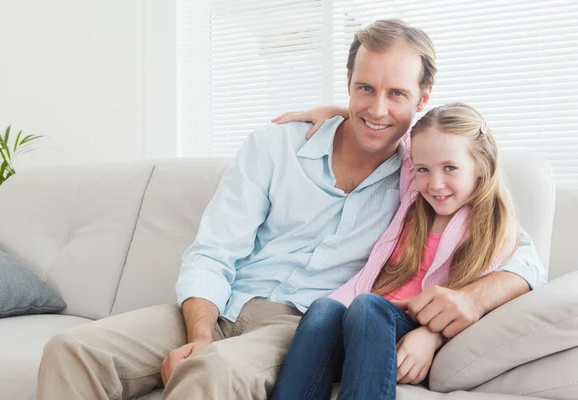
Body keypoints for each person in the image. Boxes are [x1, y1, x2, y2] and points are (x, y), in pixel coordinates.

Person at [36, 20, 546, 400]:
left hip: (302, 324)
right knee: (71, 351)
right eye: (364, 88)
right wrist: (200, 334)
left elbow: (520, 256)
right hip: (220, 306)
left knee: (210, 375)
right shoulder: (273, 146)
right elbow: (213, 252)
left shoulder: (425, 173)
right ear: (347, 81)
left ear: (422, 99)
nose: (377, 108)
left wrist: (468, 305)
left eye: (397, 94)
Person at [270, 102, 520, 400]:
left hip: (401, 322)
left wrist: (432, 335)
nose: (435, 184)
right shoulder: (413, 198)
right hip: (361, 323)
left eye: (450, 168)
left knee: (367, 306)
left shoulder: (491, 231)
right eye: (423, 169)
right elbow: (389, 128)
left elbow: (483, 306)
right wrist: (341, 112)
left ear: (481, 165)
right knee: (324, 308)